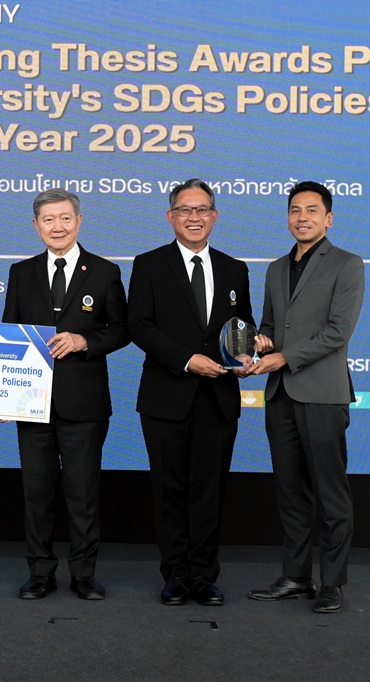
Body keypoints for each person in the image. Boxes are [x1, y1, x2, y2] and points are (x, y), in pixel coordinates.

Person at [127, 178, 253, 606]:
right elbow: (139, 325)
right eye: (185, 209)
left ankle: (204, 575)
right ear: (171, 217)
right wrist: (186, 360)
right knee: (170, 490)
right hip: (166, 396)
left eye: (202, 210)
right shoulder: (148, 264)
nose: (194, 217)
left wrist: (247, 353)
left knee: (209, 490)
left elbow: (242, 326)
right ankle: (176, 575)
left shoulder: (235, 269)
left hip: (218, 399)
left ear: (214, 216)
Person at [2, 189, 130, 600]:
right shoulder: (21, 272)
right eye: (48, 219)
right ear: (35, 226)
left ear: (78, 221)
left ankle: (83, 574)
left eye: (64, 218)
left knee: (82, 493)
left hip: (84, 404)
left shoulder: (105, 271)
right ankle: (40, 572)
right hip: (31, 403)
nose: (57, 226)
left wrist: (84, 341)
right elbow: (9, 335)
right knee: (36, 493)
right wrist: (4, 394)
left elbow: (122, 330)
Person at [246, 180, 365, 614]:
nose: (302, 217)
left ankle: (332, 582)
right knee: (290, 491)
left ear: (328, 218)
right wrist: (261, 342)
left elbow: (338, 331)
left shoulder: (348, 264)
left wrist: (284, 357)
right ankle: (296, 576)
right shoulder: (276, 268)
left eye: (312, 210)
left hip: (322, 394)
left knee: (331, 493)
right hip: (280, 394)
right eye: (295, 210)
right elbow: (270, 323)